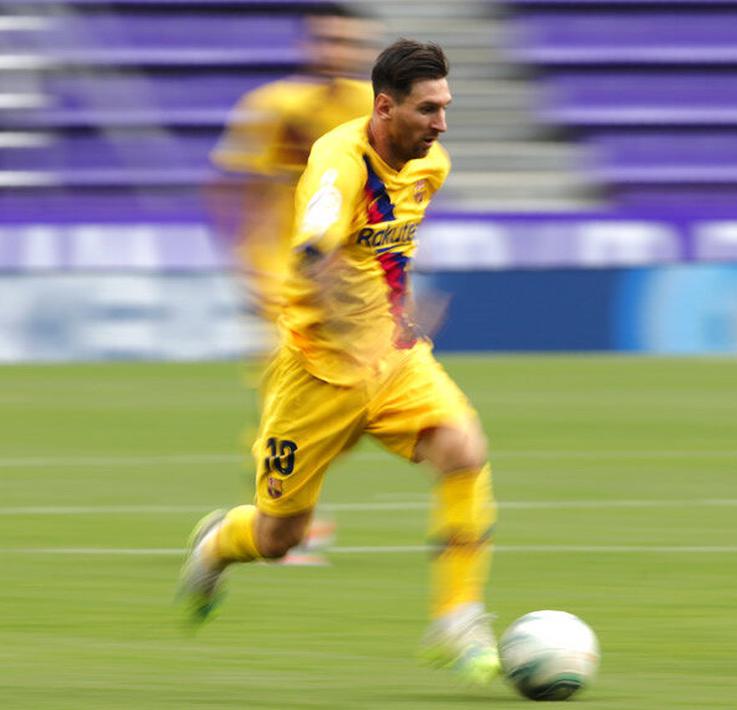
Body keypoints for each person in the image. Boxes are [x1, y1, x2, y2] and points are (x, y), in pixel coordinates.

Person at [179, 39, 502, 685]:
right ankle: (217, 543)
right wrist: (345, 316)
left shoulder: (429, 165)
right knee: (280, 538)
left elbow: (384, 254)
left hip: (394, 360)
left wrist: (395, 318)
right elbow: (315, 249)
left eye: (445, 107)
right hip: (316, 374)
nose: (441, 123)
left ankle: (456, 616)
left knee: (464, 451)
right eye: (428, 109)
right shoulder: (336, 160)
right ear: (385, 107)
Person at [210, 2, 375, 564]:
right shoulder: (275, 107)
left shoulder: (365, 107)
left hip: (343, 283)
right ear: (308, 45)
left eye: (344, 41)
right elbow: (235, 189)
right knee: (290, 406)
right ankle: (280, 526)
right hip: (283, 280)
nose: (334, 51)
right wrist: (246, 265)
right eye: (325, 40)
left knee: (354, 407)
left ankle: (277, 517)